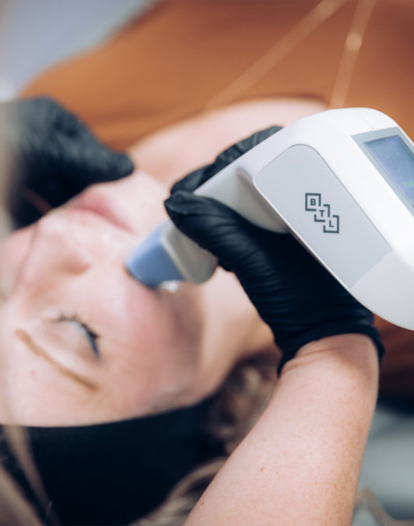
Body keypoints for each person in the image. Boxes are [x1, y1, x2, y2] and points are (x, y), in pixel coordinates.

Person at [0, 95, 384, 525]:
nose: (52, 237)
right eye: (78, 330)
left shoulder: (79, 106)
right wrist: (334, 354)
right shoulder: (399, 300)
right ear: (205, 412)